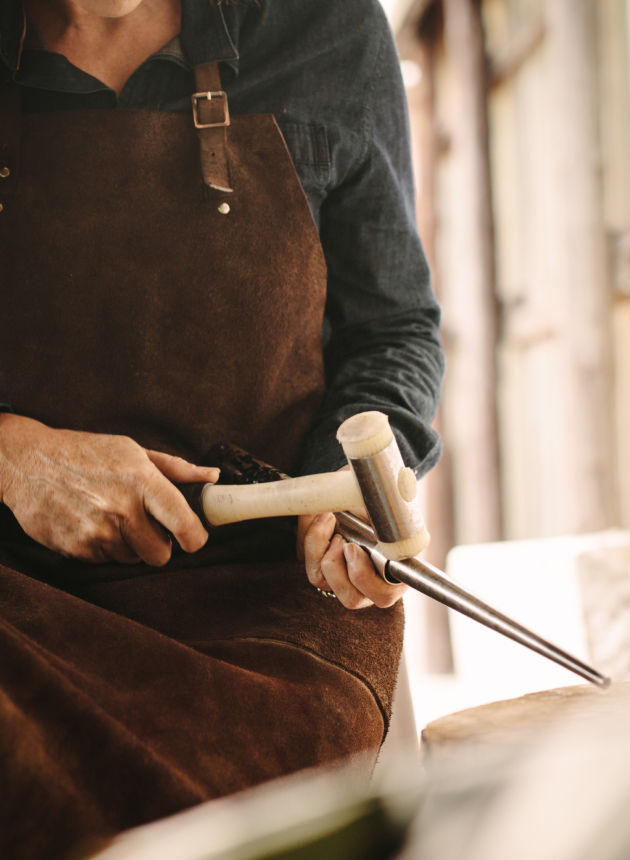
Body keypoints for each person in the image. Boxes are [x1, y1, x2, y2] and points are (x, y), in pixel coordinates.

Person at [0, 0, 444, 857]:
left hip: (272, 611)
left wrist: (350, 491)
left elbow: (391, 329)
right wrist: (12, 455)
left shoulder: (328, 28)